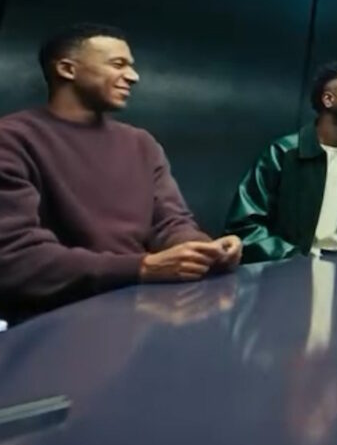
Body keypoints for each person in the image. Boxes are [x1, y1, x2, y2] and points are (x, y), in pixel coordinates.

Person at [0, 23, 240, 317]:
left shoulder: (141, 143)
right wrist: (141, 267)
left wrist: (204, 250)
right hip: (50, 320)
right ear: (67, 69)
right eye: (118, 64)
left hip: (140, 313)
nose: (133, 76)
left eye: (131, 66)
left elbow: (170, 223)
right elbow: (16, 258)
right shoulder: (12, 139)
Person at [225, 60, 337, 262]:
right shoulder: (282, 154)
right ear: (328, 99)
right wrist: (292, 259)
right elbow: (245, 224)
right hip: (288, 273)